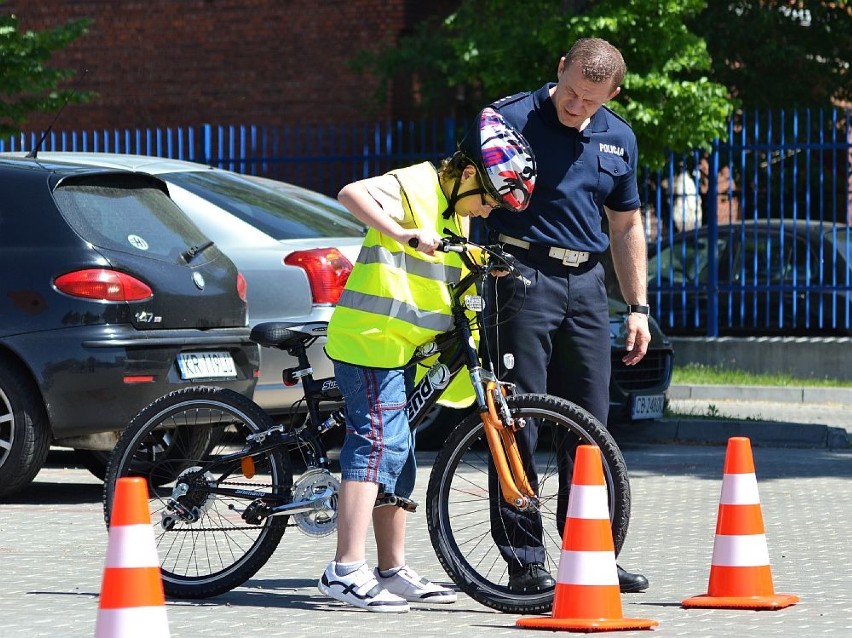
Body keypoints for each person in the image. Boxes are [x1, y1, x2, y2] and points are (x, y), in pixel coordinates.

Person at [317, 107, 537, 612]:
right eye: (488, 198)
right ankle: (344, 569)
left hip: (406, 348)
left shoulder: (453, 208)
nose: (487, 212)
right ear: (466, 174)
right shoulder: (416, 183)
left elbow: (440, 268)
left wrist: (483, 261)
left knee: (401, 450)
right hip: (371, 340)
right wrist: (401, 233)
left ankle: (391, 569)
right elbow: (351, 193)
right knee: (376, 441)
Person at [479, 37, 650, 594]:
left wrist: (638, 308)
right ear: (560, 69)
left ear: (613, 93)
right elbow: (461, 194)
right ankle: (524, 558)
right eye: (572, 93)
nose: (577, 107)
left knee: (589, 426)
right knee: (517, 421)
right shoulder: (508, 120)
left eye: (591, 101)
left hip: (588, 286)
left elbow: (624, 227)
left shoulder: (618, 138)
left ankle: (588, 551)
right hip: (520, 278)